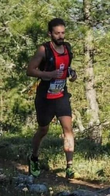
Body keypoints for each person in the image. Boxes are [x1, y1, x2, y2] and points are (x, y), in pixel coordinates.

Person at [26, 18, 77, 179]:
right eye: (57, 33)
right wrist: (47, 75)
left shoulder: (67, 48)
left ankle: (69, 167)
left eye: (63, 33)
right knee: (43, 130)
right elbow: (30, 70)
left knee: (68, 129)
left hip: (61, 95)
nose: (61, 36)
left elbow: (67, 68)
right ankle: (34, 157)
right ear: (50, 34)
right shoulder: (43, 50)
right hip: (45, 97)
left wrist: (72, 74)